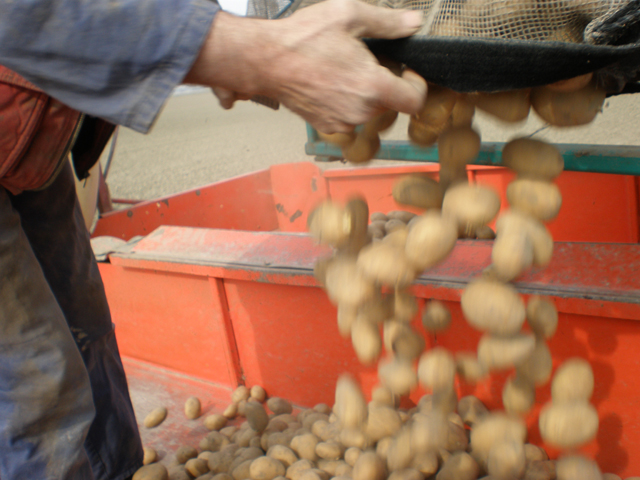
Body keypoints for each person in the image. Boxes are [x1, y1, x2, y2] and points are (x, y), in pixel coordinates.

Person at [0, 0, 427, 478]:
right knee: (34, 397)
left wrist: (214, 42)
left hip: (25, 124)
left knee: (85, 330)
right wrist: (243, 51)